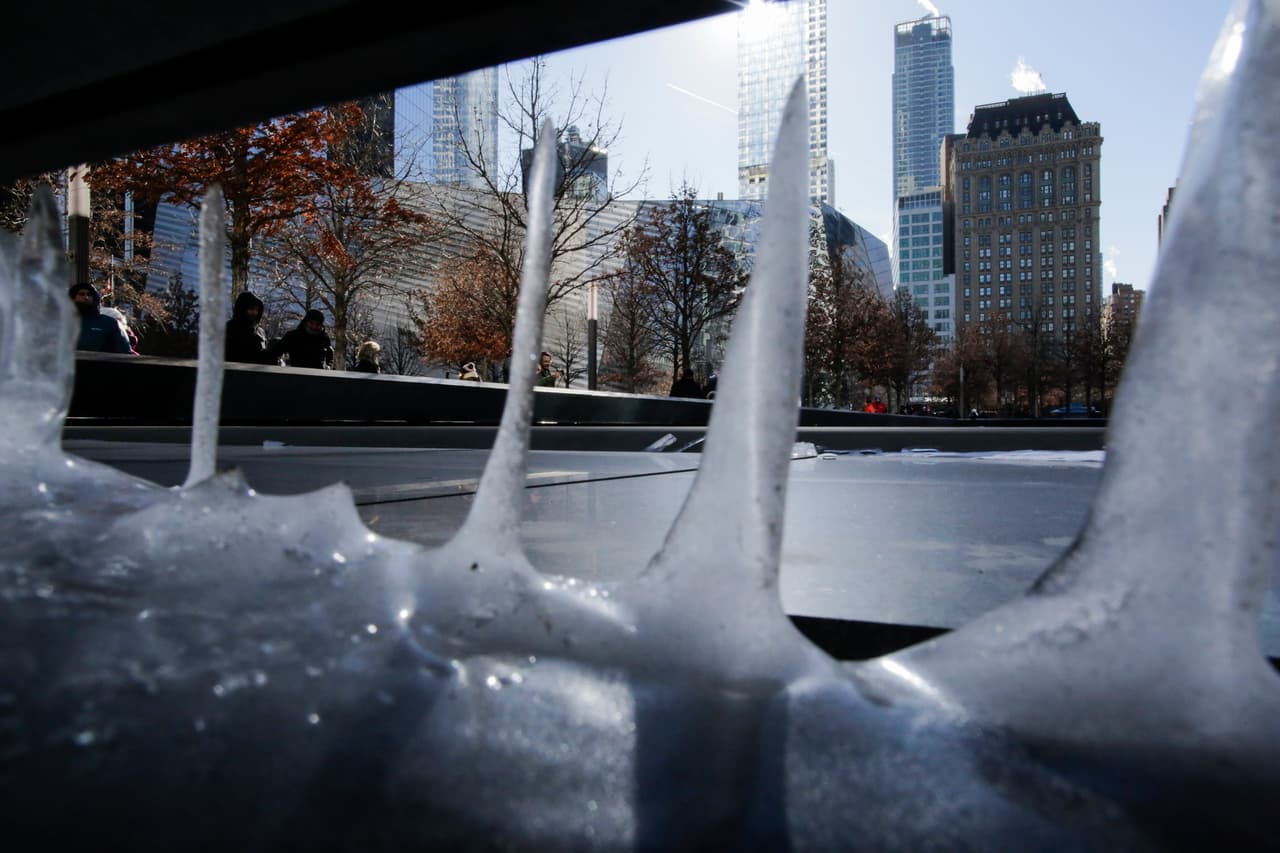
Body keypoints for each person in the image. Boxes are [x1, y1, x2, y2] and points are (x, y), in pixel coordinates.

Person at [69, 283, 131, 354]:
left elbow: (125, 352)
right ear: (73, 298)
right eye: (81, 294)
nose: (86, 297)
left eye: (89, 294)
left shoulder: (110, 323)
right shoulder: (60, 322)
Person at [268, 309, 333, 369]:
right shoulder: (293, 336)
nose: (314, 326)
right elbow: (275, 352)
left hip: (319, 377)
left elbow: (330, 358)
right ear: (305, 322)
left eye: (317, 324)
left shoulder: (324, 338)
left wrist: (329, 368)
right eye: (311, 323)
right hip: (297, 376)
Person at [224, 290, 272, 364]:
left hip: (258, 373)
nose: (255, 313)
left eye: (257, 310)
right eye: (251, 309)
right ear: (242, 309)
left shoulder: (260, 331)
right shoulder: (229, 329)